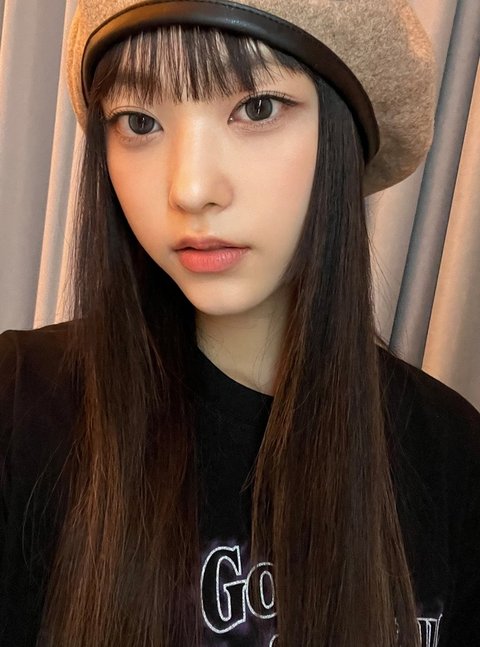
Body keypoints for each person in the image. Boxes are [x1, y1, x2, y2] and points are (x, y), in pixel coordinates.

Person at [0, 1, 479, 646]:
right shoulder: (20, 407)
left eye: (256, 107)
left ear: (340, 134)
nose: (191, 189)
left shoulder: (454, 458)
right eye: (139, 121)